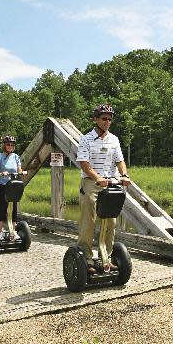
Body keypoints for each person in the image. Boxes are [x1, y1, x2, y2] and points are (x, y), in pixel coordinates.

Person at [76, 104, 131, 273]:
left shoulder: (114, 139)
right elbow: (84, 163)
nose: (107, 122)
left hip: (110, 183)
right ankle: (86, 257)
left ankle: (105, 257)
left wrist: (124, 175)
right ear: (96, 119)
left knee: (110, 221)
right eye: (104, 119)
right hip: (91, 183)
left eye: (109, 119)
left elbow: (119, 160)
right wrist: (97, 178)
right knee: (89, 219)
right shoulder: (86, 139)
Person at [0, 135, 23, 239]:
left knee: (13, 208)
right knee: (2, 207)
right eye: (8, 144)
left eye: (12, 145)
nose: (10, 146)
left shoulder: (16, 157)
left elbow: (19, 171)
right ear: (4, 145)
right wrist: (2, 173)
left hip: (13, 186)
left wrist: (22, 172)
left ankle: (13, 231)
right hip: (2, 186)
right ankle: (0, 231)